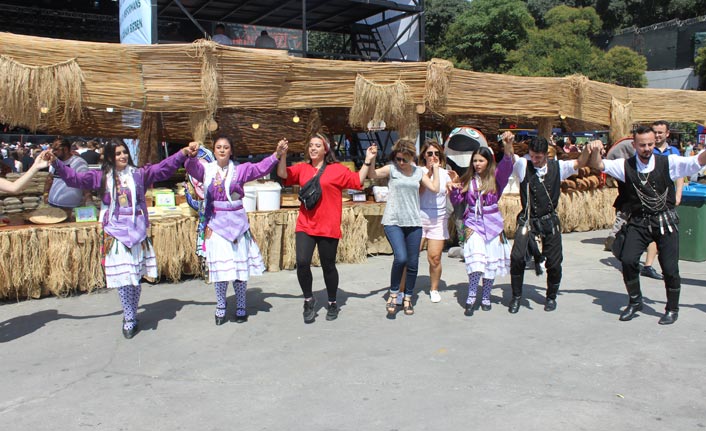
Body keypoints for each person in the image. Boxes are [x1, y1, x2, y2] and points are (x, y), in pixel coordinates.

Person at [48, 138, 194, 339]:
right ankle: (129, 316)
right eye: (117, 154)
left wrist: (182, 153)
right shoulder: (101, 176)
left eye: (124, 152)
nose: (123, 156)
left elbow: (162, 169)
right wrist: (56, 163)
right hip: (115, 234)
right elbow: (75, 179)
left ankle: (132, 310)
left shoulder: (138, 174)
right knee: (124, 278)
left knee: (134, 278)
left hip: (137, 232)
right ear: (109, 157)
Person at [588, 126, 706, 324]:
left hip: (665, 221)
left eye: (650, 144)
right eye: (642, 145)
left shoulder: (669, 162)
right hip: (639, 222)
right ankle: (635, 301)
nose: (647, 148)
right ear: (634, 145)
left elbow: (697, 161)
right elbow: (598, 165)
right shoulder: (624, 165)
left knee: (669, 268)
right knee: (627, 260)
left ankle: (672, 308)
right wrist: (592, 149)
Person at [185, 136, 286, 325]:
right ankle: (221, 307)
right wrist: (191, 156)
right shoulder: (206, 170)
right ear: (213, 151)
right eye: (218, 147)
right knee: (221, 270)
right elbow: (193, 169)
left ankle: (241, 306)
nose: (222, 150)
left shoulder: (240, 170)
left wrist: (276, 154)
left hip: (238, 225)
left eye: (226, 147)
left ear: (231, 151)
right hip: (216, 225)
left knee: (239, 269)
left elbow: (259, 168)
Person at [277, 133, 376, 323]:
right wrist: (282, 155)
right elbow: (283, 174)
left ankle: (332, 302)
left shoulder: (336, 170)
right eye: (311, 145)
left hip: (328, 225)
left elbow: (357, 181)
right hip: (306, 224)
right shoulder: (302, 168)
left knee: (328, 266)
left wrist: (367, 161)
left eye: (317, 145)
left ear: (325, 150)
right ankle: (308, 299)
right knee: (303, 262)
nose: (313, 148)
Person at [508, 135, 590, 313]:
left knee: (554, 262)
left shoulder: (558, 167)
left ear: (546, 155)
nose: (535, 160)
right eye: (532, 156)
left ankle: (551, 297)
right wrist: (507, 143)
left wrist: (591, 148)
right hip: (528, 219)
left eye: (538, 157)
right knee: (516, 257)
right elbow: (510, 156)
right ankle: (516, 297)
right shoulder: (523, 165)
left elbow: (580, 162)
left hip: (549, 220)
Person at [367, 138, 440, 317]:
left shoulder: (418, 173)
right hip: (393, 221)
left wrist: (435, 170)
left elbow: (435, 188)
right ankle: (393, 294)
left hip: (414, 222)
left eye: (404, 160)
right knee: (400, 258)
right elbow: (373, 175)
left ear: (411, 158)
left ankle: (407, 297)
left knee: (413, 263)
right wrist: (371, 158)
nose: (400, 163)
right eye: (398, 159)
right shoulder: (392, 169)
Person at [449, 132, 515, 316]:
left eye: (480, 161)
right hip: (473, 224)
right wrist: (454, 188)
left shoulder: (496, 178)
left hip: (493, 225)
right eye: (475, 161)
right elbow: (456, 201)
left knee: (489, 264)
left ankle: (486, 296)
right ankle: (471, 295)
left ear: (488, 162)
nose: (477, 164)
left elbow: (508, 164)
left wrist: (507, 146)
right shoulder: (467, 180)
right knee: (476, 260)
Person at [418, 139, 456, 303]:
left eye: (436, 153)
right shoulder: (418, 171)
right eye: (429, 153)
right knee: (411, 256)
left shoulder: (446, 173)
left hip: (438, 219)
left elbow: (455, 197)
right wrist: (430, 173)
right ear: (424, 156)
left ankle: (434, 288)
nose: (433, 156)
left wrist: (456, 182)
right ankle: (402, 289)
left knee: (435, 257)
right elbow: (419, 191)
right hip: (418, 218)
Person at [44, 138, 92, 216]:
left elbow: (85, 183)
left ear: (65, 149)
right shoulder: (55, 162)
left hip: (71, 208)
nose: (53, 152)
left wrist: (88, 200)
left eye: (56, 150)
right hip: (52, 204)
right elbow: (50, 179)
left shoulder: (78, 162)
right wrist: (45, 195)